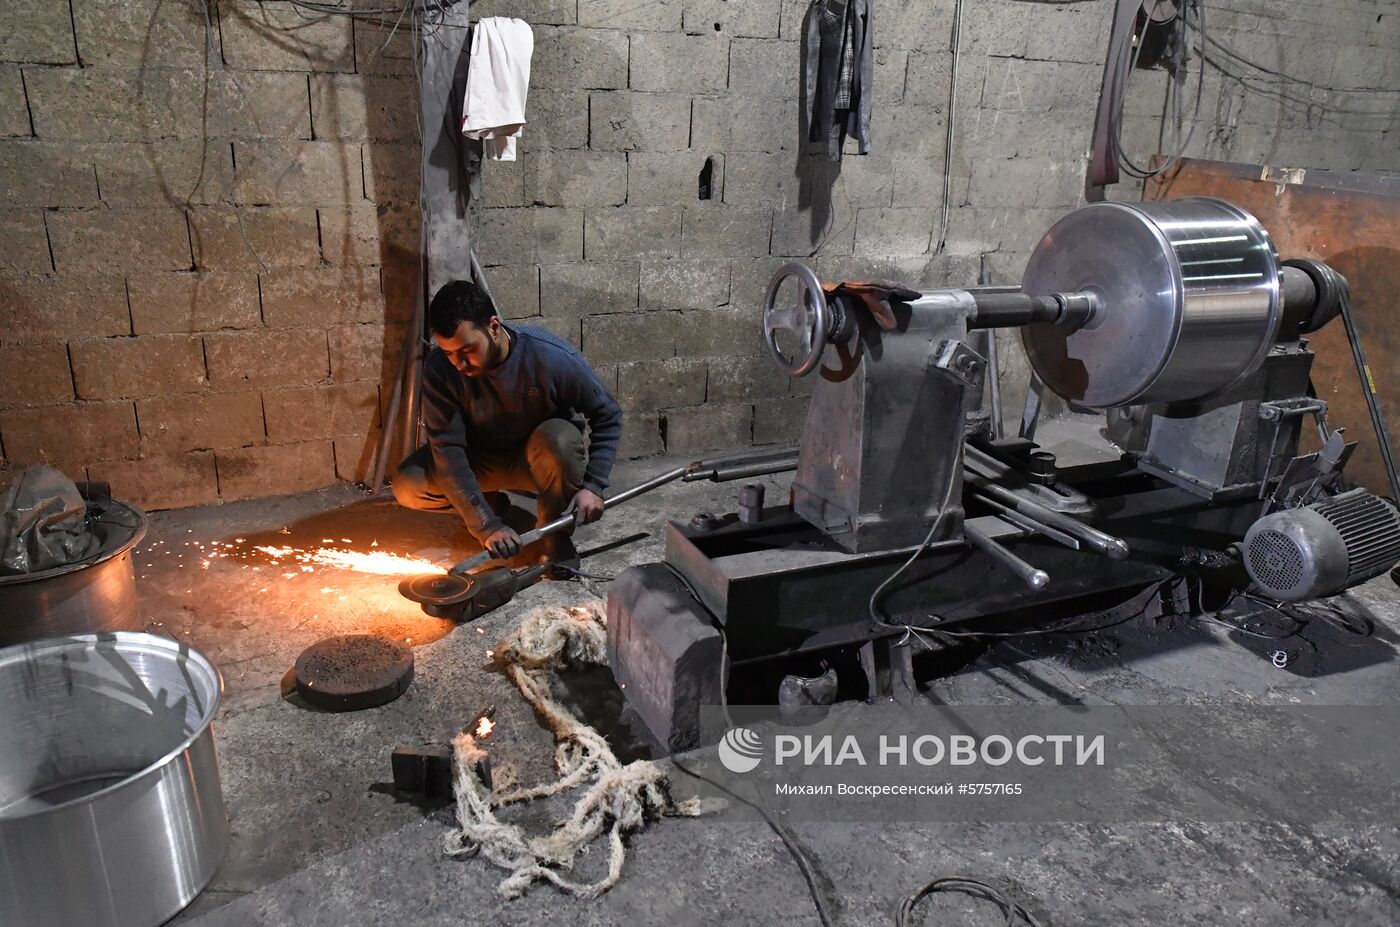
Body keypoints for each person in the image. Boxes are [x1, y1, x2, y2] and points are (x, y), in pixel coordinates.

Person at [391, 280, 623, 574]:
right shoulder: (440, 371)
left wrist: (594, 486)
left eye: (467, 350)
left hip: (537, 457)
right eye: (450, 353)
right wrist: (485, 525)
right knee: (408, 484)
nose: (459, 363)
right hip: (483, 459)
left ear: (494, 326)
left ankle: (554, 534)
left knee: (559, 439)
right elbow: (448, 451)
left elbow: (609, 415)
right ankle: (491, 506)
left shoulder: (549, 356)